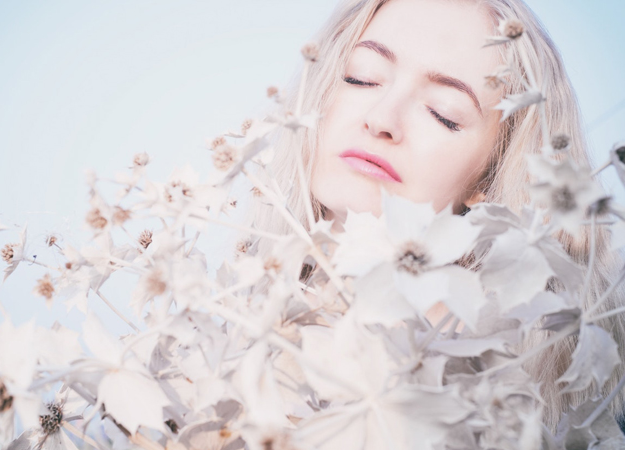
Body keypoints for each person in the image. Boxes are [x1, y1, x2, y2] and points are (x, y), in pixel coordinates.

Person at [239, 0, 625, 432]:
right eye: (361, 77)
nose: (381, 118)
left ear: (489, 178)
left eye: (443, 114)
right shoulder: (223, 339)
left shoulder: (523, 416)